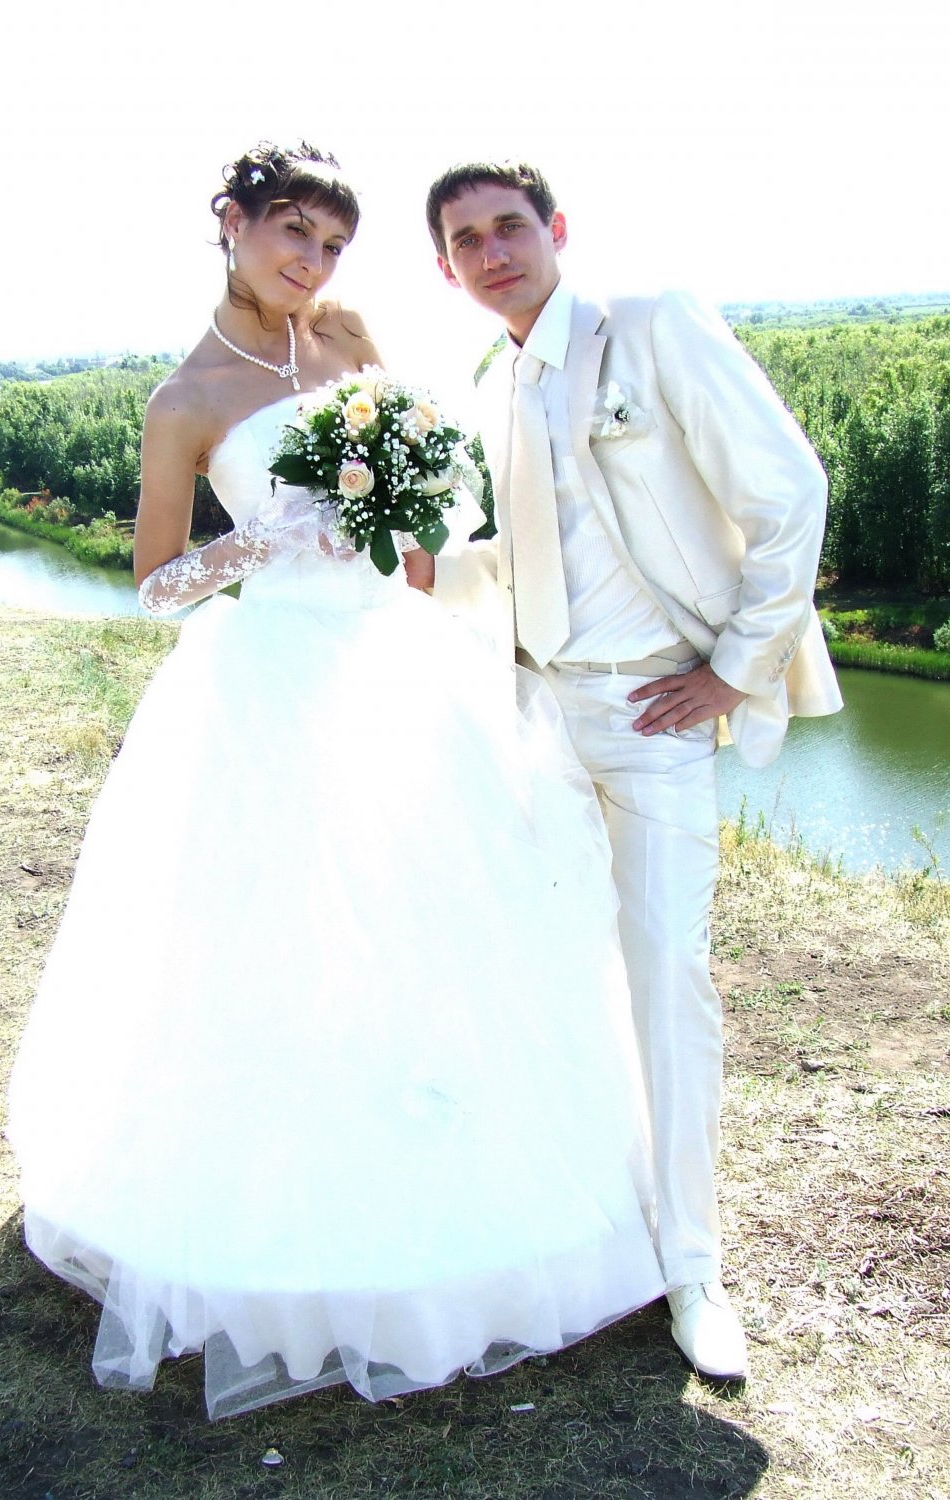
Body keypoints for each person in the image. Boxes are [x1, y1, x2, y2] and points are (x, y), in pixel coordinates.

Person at [8, 141, 668, 1421]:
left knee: (440, 912)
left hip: (392, 659)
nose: (310, 263)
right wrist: (256, 541)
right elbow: (153, 583)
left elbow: (414, 515)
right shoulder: (184, 400)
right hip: (266, 678)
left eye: (330, 244)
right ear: (232, 223)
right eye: (291, 234)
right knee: (276, 932)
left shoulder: (351, 337)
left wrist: (407, 522)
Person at [424, 159, 843, 1381]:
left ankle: (695, 1272)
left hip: (656, 713)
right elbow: (523, 562)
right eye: (466, 240)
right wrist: (422, 567)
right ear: (444, 269)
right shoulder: (492, 381)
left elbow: (792, 493)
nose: (493, 252)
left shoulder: (650, 326)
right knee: (556, 979)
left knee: (668, 983)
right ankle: (593, 1225)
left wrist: (736, 667)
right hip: (538, 719)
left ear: (556, 228)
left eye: (510, 226)